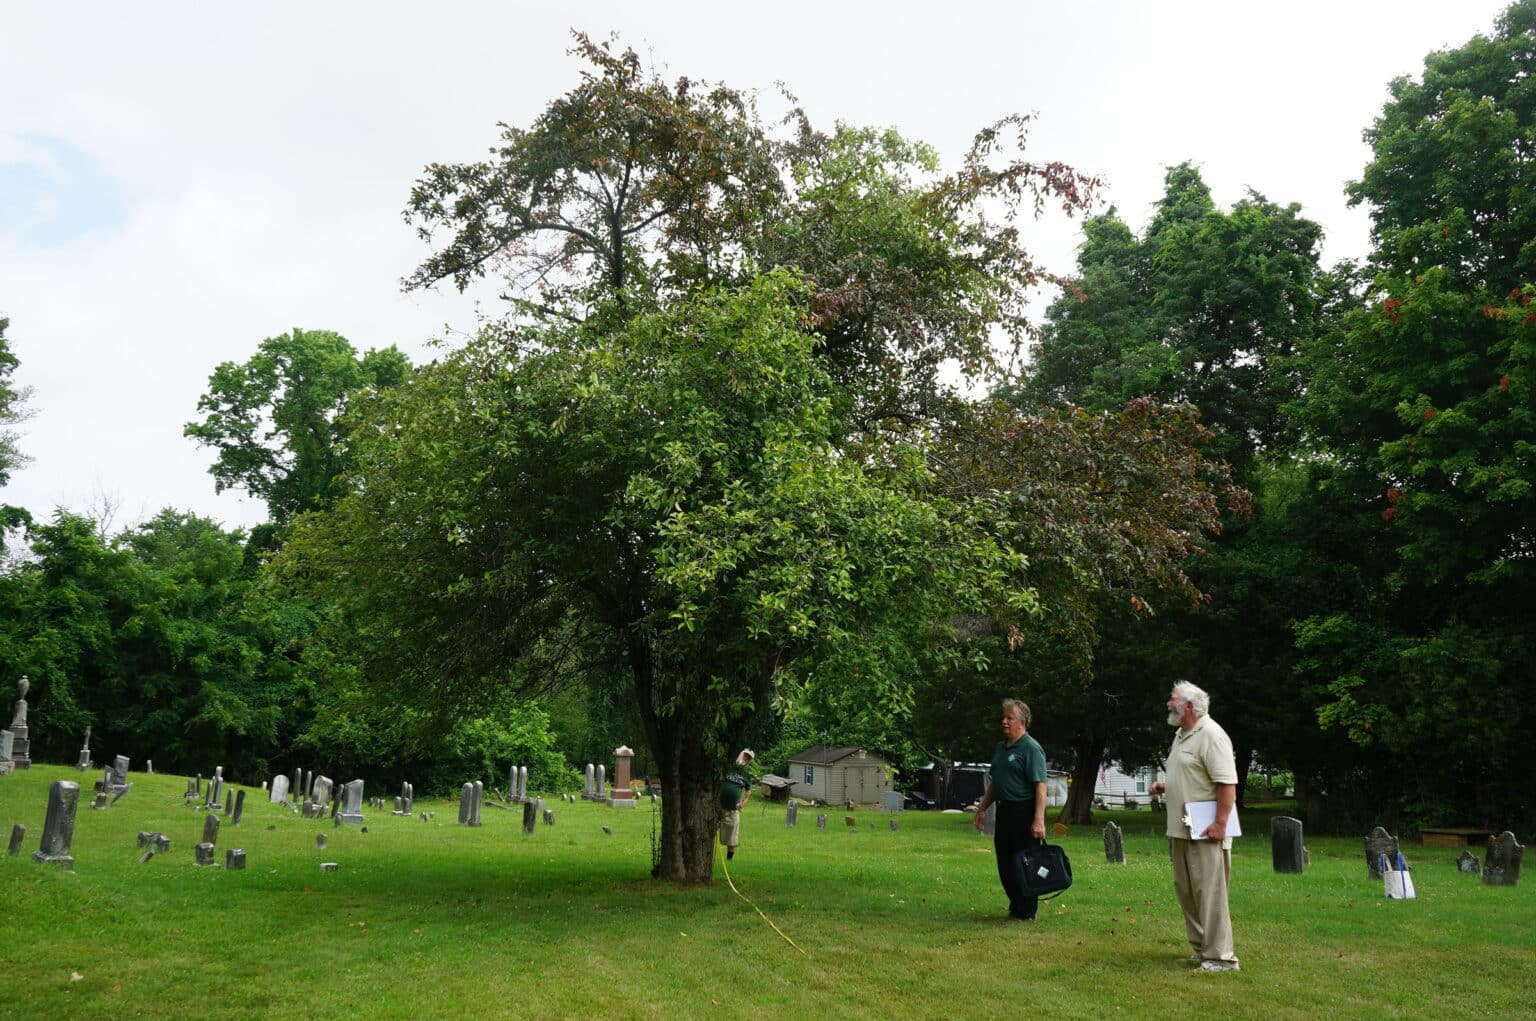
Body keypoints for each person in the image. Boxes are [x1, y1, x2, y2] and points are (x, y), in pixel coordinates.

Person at [1148, 681, 1241, 972]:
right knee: (1187, 891)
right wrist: (1166, 785)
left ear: (1189, 705)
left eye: (1172, 699)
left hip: (1205, 830)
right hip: (1180, 829)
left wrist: (1220, 824)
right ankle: (1202, 949)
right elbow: (1193, 775)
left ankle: (1222, 958)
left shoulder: (1211, 735)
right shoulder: (1182, 735)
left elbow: (1227, 783)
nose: (1168, 703)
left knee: (1210, 894)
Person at [973, 698, 1048, 920]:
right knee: (1004, 862)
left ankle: (1027, 910)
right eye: (1003, 717)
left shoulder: (1031, 748)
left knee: (1023, 862)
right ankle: (1016, 905)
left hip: (1023, 812)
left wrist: (1039, 819)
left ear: (1022, 722)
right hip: (1004, 812)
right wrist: (982, 808)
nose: (1004, 721)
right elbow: (996, 783)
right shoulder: (1000, 748)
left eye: (1009, 718)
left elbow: (1040, 786)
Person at [719, 748, 754, 860]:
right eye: (744, 755)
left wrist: (743, 803)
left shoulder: (746, 774)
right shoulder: (727, 767)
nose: (745, 759)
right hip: (717, 807)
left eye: (748, 758)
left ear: (749, 762)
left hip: (732, 810)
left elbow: (748, 790)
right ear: (739, 754)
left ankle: (729, 859)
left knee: (732, 838)